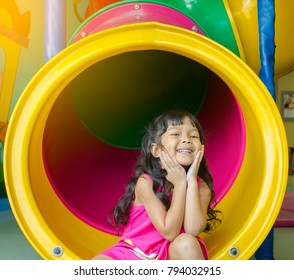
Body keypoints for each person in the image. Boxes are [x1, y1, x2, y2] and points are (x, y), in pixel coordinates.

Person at [92, 109, 221, 260]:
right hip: (135, 252)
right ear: (157, 150)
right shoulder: (146, 183)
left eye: (193, 136)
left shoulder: (201, 186)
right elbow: (168, 229)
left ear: (201, 148)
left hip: (172, 254)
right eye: (175, 134)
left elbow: (192, 229)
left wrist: (190, 181)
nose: (186, 139)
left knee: (187, 243)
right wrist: (179, 183)